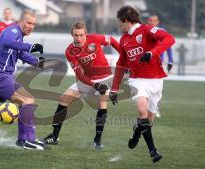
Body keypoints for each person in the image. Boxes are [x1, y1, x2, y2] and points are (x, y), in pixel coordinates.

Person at [109, 6, 175, 162]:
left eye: (120, 22)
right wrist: (114, 89)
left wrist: (152, 52)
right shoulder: (124, 39)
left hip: (156, 80)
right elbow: (121, 64)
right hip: (137, 80)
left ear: (126, 21)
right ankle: (153, 151)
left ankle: (137, 132)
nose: (119, 26)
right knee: (142, 110)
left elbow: (170, 39)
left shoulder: (147, 30)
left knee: (148, 120)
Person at [43, 21, 121, 149]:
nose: (78, 38)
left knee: (102, 103)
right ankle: (55, 136)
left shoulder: (95, 38)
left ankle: (97, 140)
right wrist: (94, 86)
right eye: (76, 35)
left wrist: (123, 55)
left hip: (105, 77)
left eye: (81, 35)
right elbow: (79, 75)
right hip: (87, 80)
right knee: (63, 99)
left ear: (86, 34)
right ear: (71, 35)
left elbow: (111, 40)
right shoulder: (70, 51)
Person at [0, 10, 47, 150]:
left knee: (29, 99)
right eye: (28, 23)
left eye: (34, 24)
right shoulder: (13, 30)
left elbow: (21, 54)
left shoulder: (19, 37)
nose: (31, 26)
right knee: (26, 101)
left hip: (2, 76)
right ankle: (30, 140)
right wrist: (31, 46)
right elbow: (7, 41)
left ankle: (23, 139)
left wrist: (38, 63)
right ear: (20, 22)